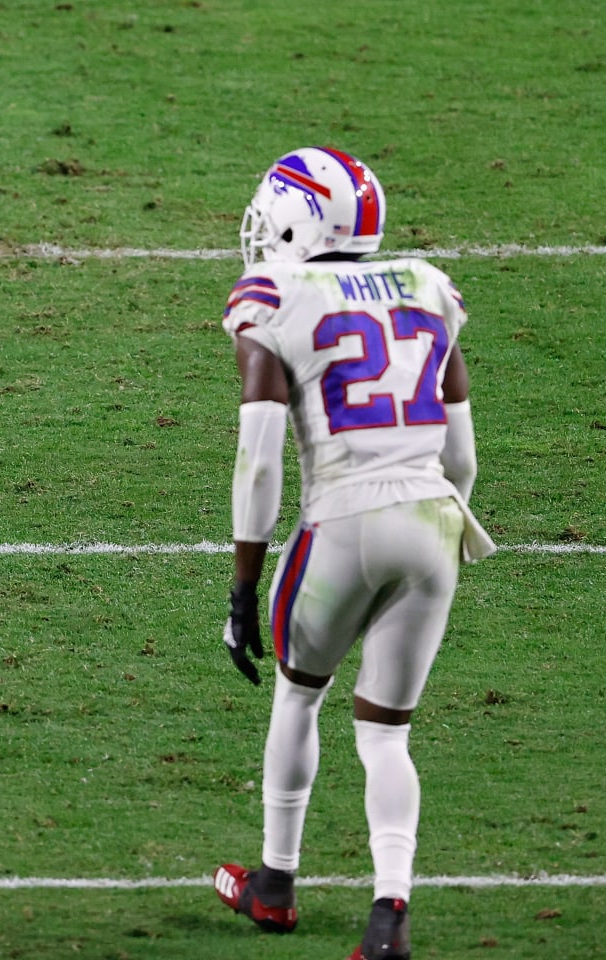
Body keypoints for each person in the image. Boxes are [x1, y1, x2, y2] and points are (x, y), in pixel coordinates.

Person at [211, 147, 496, 960]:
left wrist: (242, 587)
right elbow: (463, 458)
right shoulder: (427, 287)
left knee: (301, 696)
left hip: (342, 521)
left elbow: (261, 462)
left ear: (298, 221)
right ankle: (389, 917)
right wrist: (440, 536)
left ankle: (274, 884)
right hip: (436, 520)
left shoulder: (272, 297)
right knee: (386, 734)